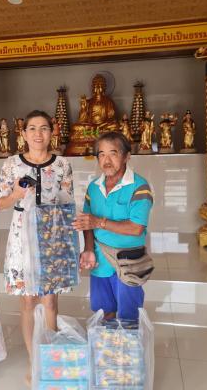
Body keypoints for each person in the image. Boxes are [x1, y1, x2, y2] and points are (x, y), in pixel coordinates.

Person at [0, 109, 74, 385]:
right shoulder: (11, 165)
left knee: (50, 300)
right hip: (22, 238)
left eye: (44, 128)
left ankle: (49, 359)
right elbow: (0, 203)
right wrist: (16, 194)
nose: (38, 134)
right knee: (28, 300)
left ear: (52, 132)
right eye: (32, 128)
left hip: (53, 236)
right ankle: (34, 361)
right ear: (24, 133)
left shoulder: (62, 164)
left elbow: (68, 203)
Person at [73, 132, 153, 320]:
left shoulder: (139, 186)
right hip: (101, 259)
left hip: (129, 261)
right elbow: (88, 223)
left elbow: (136, 228)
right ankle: (106, 339)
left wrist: (99, 222)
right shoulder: (94, 187)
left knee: (129, 317)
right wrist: (89, 249)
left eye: (113, 153)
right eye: (101, 154)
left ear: (126, 156)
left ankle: (129, 339)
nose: (106, 160)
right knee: (103, 312)